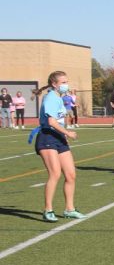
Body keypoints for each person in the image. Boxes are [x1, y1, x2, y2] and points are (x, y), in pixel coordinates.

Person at [30, 71, 85, 221]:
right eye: (63, 82)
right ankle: (48, 210)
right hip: (47, 137)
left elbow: (60, 120)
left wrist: (64, 136)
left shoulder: (59, 98)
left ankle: (69, 209)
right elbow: (51, 122)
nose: (66, 85)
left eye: (66, 82)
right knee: (55, 173)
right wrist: (68, 133)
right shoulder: (50, 98)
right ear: (54, 84)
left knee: (71, 175)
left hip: (58, 137)